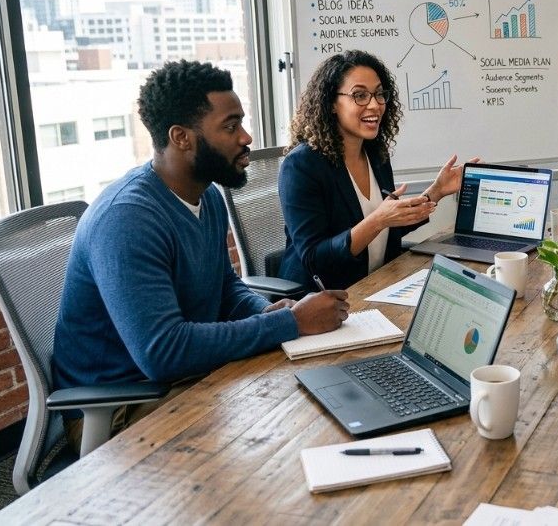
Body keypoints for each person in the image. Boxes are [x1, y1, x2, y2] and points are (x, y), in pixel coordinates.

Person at [52, 60, 348, 447]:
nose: (246, 137)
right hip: (120, 407)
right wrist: (289, 324)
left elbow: (224, 287)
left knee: (311, 405)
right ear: (181, 137)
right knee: (280, 435)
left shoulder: (207, 196)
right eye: (230, 126)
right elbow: (163, 352)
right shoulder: (127, 220)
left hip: (183, 377)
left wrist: (267, 312)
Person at [279, 51, 476, 290]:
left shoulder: (375, 154)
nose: (375, 105)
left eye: (379, 94)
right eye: (360, 95)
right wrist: (377, 221)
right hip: (322, 298)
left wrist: (436, 191)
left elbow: (389, 227)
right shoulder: (301, 166)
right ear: (331, 103)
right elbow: (314, 259)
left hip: (377, 284)